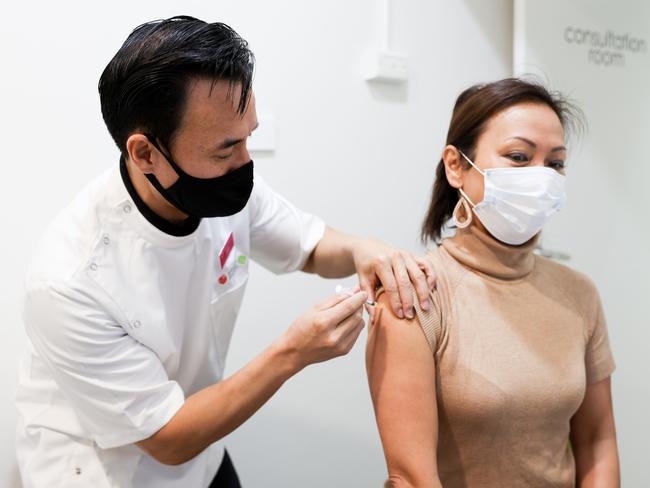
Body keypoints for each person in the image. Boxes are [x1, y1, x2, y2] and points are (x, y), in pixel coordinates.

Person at [15, 16, 436, 488]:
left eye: (249, 137)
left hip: (202, 450)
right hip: (109, 470)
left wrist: (368, 249)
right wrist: (292, 352)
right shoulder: (69, 283)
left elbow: (311, 246)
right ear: (145, 153)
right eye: (226, 149)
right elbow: (166, 438)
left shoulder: (221, 189)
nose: (245, 164)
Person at [366, 78, 620, 487]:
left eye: (555, 163)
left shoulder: (579, 294)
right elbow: (411, 477)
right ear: (456, 166)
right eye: (518, 156)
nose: (541, 177)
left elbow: (597, 440)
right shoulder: (415, 296)